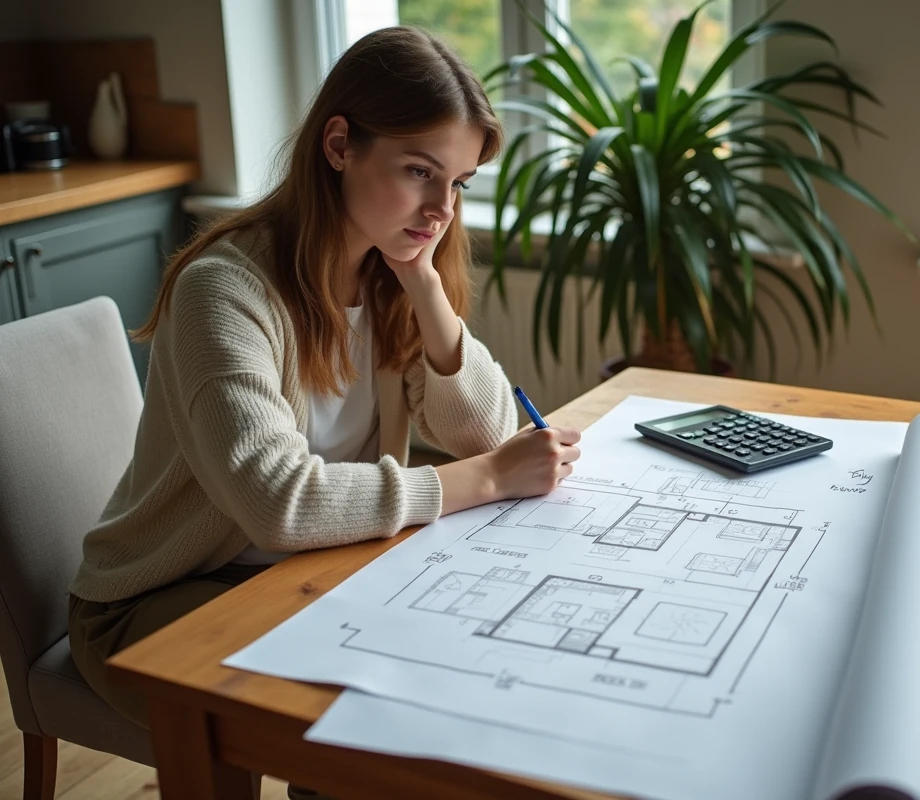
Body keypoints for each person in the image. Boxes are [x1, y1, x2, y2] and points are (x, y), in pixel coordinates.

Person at [66, 24, 582, 754]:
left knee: (449, 667)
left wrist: (425, 286)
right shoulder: (224, 291)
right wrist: (490, 479)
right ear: (339, 145)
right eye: (419, 171)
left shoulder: (388, 273)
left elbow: (492, 433)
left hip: (314, 570)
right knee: (361, 714)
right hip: (158, 599)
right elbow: (278, 503)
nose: (442, 208)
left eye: (459, 183)